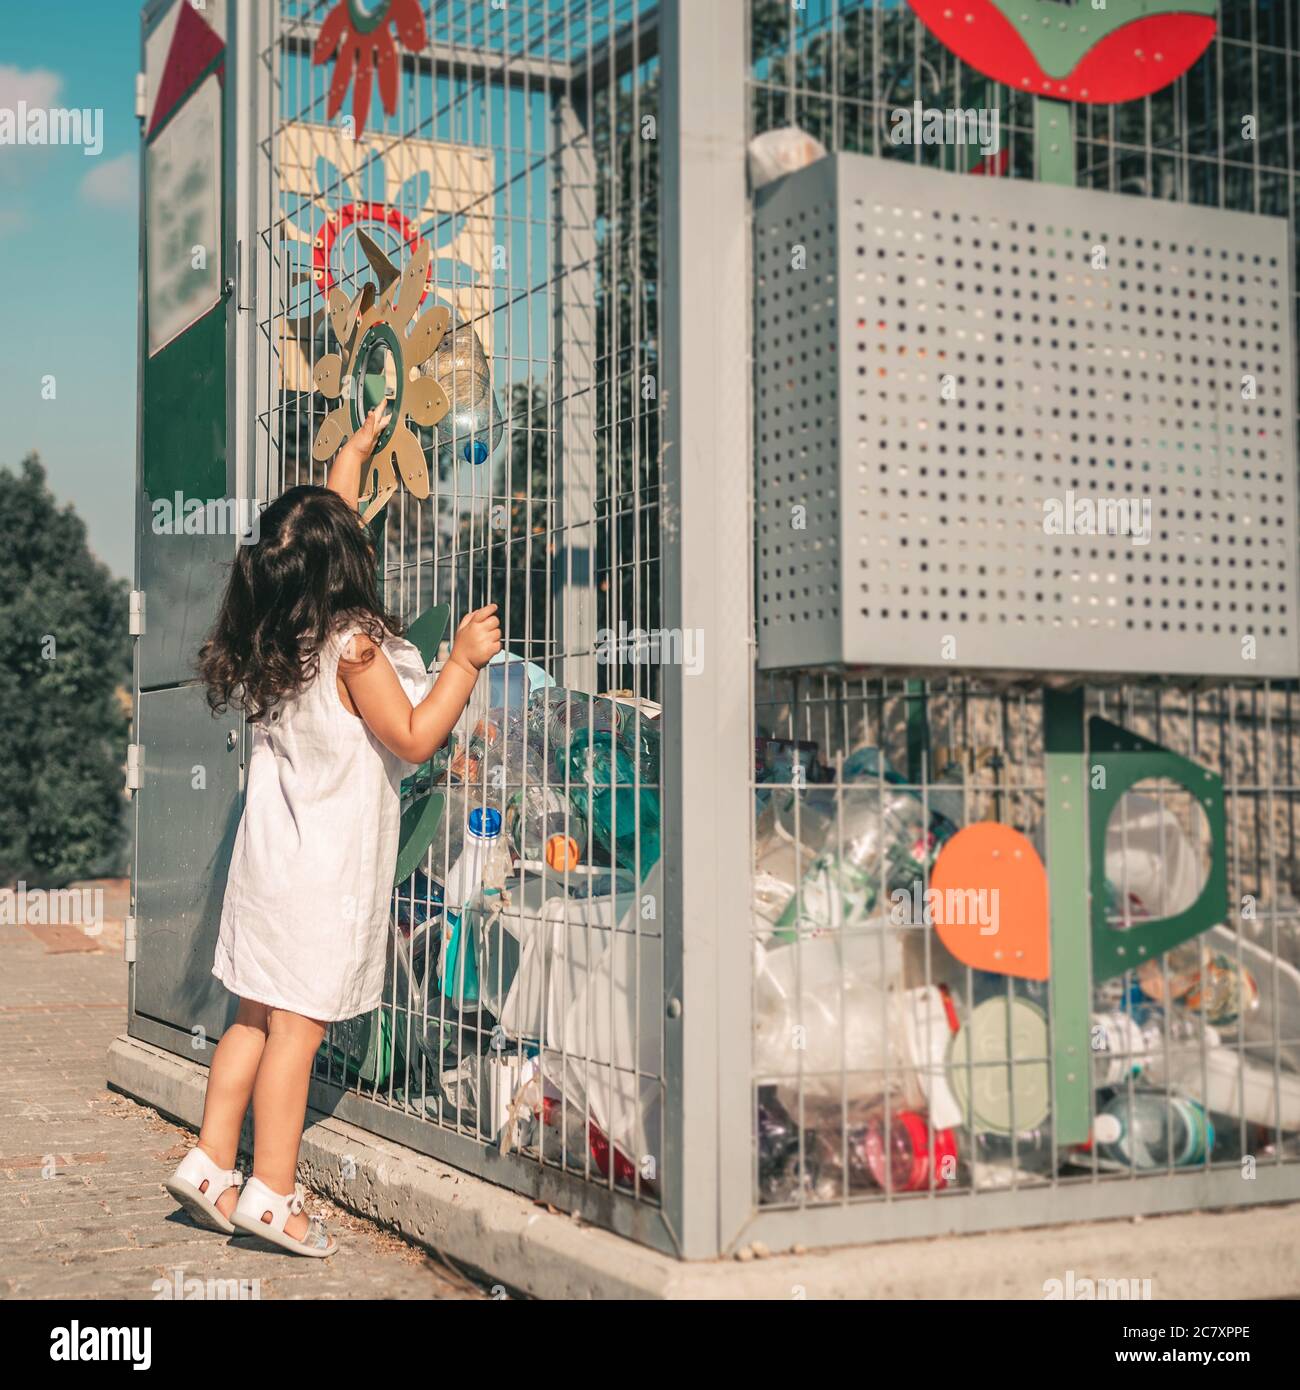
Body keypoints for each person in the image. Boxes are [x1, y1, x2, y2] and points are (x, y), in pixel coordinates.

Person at [164, 405, 500, 1256]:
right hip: (321, 879)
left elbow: (314, 538)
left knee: (252, 1016)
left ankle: (209, 1161)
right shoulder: (354, 649)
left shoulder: (274, 633)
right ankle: (271, 1192)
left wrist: (350, 457)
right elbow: (416, 736)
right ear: (347, 566)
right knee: (298, 1035)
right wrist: (460, 660)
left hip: (266, 867)